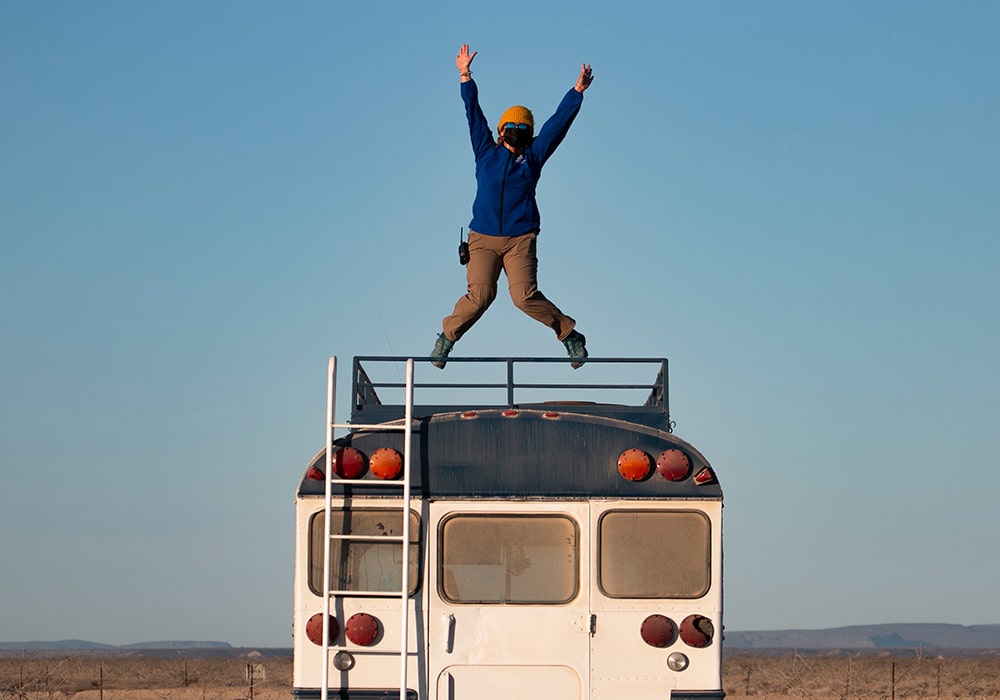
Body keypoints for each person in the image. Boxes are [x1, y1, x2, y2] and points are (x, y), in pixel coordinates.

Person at [430, 44, 594, 369]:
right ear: (502, 130)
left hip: (520, 239)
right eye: (512, 129)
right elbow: (472, 113)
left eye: (524, 130)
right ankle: (446, 339)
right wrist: (465, 74)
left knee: (523, 297)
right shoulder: (485, 152)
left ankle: (570, 336)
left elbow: (556, 126)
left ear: (529, 134)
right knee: (480, 296)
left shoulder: (532, 158)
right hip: (483, 238)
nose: (517, 134)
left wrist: (577, 91)